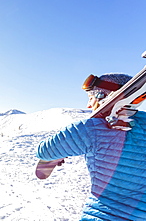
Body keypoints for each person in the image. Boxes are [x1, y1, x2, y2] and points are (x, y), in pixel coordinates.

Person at [36, 73, 146, 220]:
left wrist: (55, 158)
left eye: (91, 98)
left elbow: (45, 152)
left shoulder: (91, 129)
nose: (88, 105)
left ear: (104, 97)